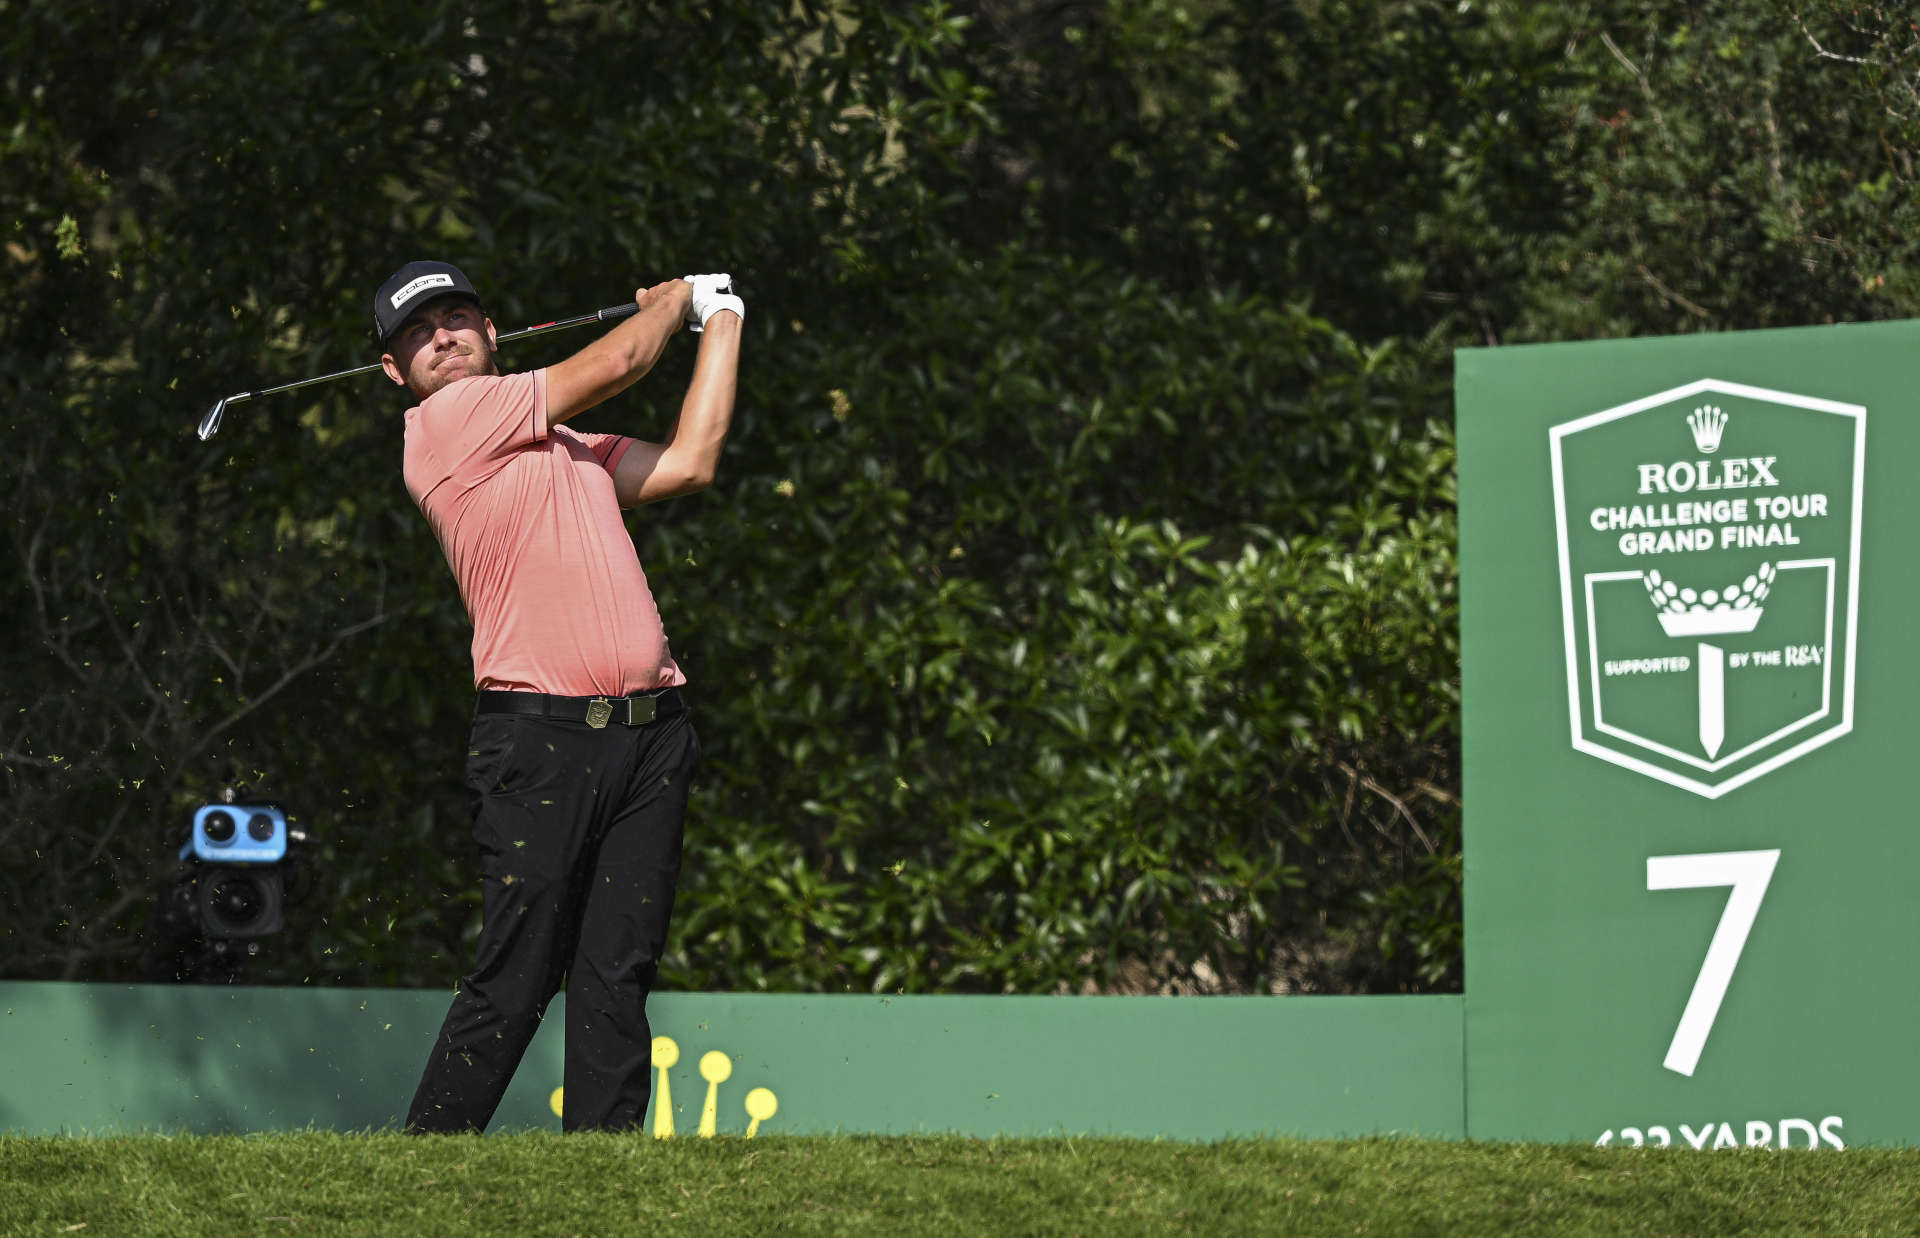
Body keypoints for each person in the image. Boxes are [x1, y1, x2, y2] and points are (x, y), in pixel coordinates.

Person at [371, 258, 743, 1133]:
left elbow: (690, 463)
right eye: (417, 334)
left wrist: (722, 319)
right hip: (540, 742)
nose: (442, 339)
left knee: (618, 969)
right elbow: (617, 362)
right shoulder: (446, 423)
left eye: (455, 319)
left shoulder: (568, 447)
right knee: (521, 969)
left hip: (652, 736)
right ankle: (429, 1153)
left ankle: (603, 1169)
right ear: (394, 370)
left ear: (491, 332)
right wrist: (674, 303)